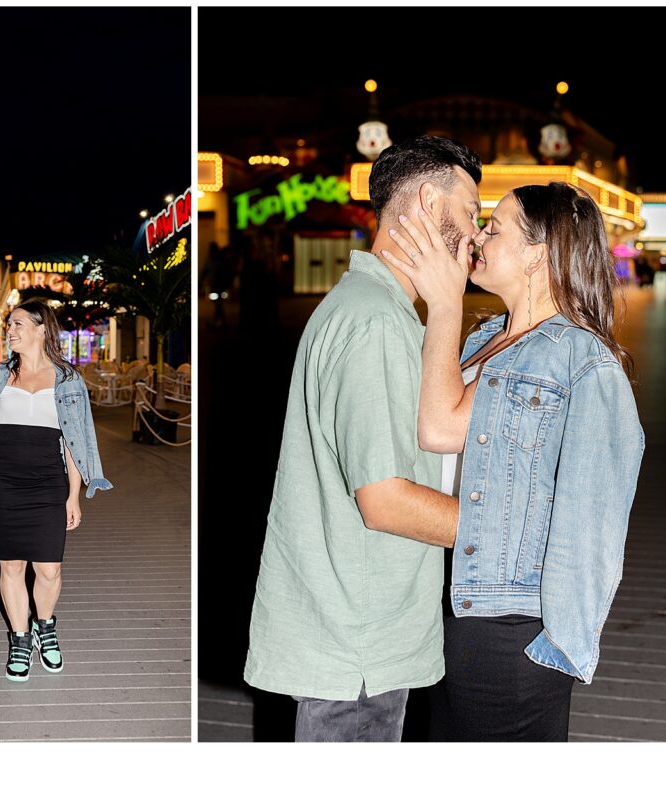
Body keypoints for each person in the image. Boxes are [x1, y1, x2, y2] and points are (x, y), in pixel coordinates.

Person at [379, 181, 644, 741]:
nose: (478, 236)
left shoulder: (582, 360)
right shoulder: (486, 339)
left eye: (494, 229)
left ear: (538, 254)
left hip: (514, 625)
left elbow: (439, 427)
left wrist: (564, 641)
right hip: (455, 602)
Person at [243, 136, 484, 741]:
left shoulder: (372, 308)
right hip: (359, 645)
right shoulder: (375, 322)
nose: (477, 235)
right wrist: (506, 533)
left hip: (354, 630)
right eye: (472, 214)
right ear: (429, 202)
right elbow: (384, 499)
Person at [0, 299, 112, 682]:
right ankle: (19, 637)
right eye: (9, 325)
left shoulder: (68, 380)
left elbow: (74, 442)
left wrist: (73, 495)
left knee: (49, 568)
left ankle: (45, 626)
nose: (10, 331)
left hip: (49, 481)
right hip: (2, 480)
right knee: (11, 564)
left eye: (17, 325)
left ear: (42, 328)